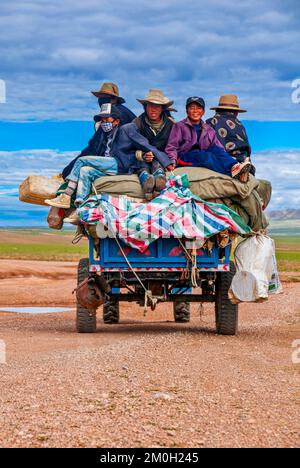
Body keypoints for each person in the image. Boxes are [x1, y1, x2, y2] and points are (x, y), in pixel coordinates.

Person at [45, 104, 124, 222]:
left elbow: (138, 146)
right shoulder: (103, 136)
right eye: (102, 119)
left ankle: (66, 195)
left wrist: (142, 156)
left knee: (82, 160)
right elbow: (91, 150)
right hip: (105, 167)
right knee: (84, 170)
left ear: (116, 121)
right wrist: (68, 171)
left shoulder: (125, 132)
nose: (104, 122)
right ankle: (81, 209)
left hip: (119, 165)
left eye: (107, 119)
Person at [165, 96, 251, 181]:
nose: (195, 111)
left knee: (216, 149)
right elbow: (172, 146)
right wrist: (172, 161)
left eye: (199, 108)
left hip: (201, 154)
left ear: (203, 112)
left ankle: (236, 167)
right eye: (192, 108)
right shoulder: (179, 126)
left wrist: (224, 157)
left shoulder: (208, 129)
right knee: (206, 156)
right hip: (185, 157)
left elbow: (218, 147)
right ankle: (232, 173)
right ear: (187, 111)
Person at [130, 89, 176, 200]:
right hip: (141, 160)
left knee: (158, 164)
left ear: (162, 108)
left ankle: (160, 178)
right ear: (145, 107)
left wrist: (172, 160)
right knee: (142, 166)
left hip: (161, 159)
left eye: (157, 106)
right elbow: (129, 148)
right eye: (150, 106)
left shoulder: (171, 125)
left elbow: (174, 146)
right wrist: (142, 155)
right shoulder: (136, 123)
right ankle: (146, 180)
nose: (153, 110)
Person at [206, 94, 255, 175]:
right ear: (235, 112)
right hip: (245, 161)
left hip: (225, 161)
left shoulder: (212, 122)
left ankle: (234, 168)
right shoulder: (240, 125)